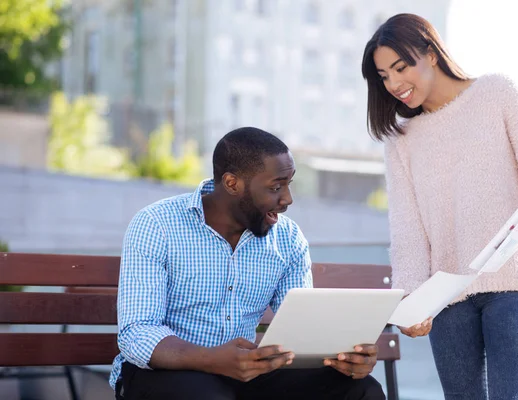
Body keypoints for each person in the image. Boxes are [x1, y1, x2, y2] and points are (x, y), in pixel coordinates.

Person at [361, 13, 518, 400]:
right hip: (446, 296)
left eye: (400, 67)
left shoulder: (497, 93)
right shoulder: (402, 140)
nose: (394, 84)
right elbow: (407, 230)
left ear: (429, 53)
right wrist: (410, 301)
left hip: (514, 280)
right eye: (383, 76)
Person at [109, 127, 385, 400]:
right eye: (276, 187)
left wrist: (346, 356)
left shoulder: (287, 238)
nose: (288, 199)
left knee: (362, 390)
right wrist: (212, 359)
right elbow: (137, 332)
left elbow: (305, 328)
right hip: (163, 372)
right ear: (232, 184)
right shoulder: (157, 225)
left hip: (245, 376)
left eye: (289, 184)